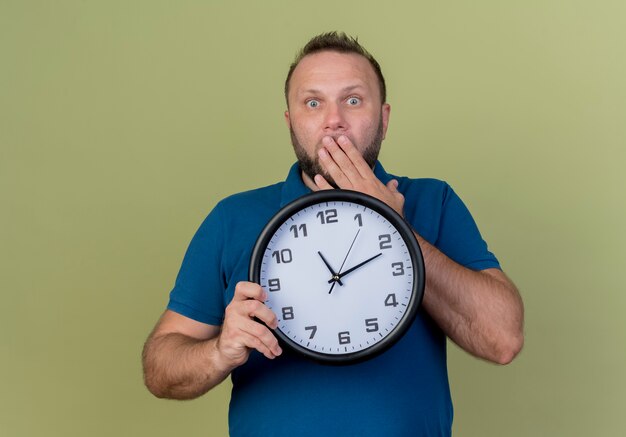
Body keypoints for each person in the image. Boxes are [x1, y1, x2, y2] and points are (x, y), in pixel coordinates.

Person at [142, 32, 524, 436]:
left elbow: (502, 339)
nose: (334, 119)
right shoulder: (232, 218)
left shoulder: (433, 201)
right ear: (291, 121)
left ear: (384, 118)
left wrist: (398, 227)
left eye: (353, 100)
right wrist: (219, 352)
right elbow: (160, 369)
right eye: (313, 102)